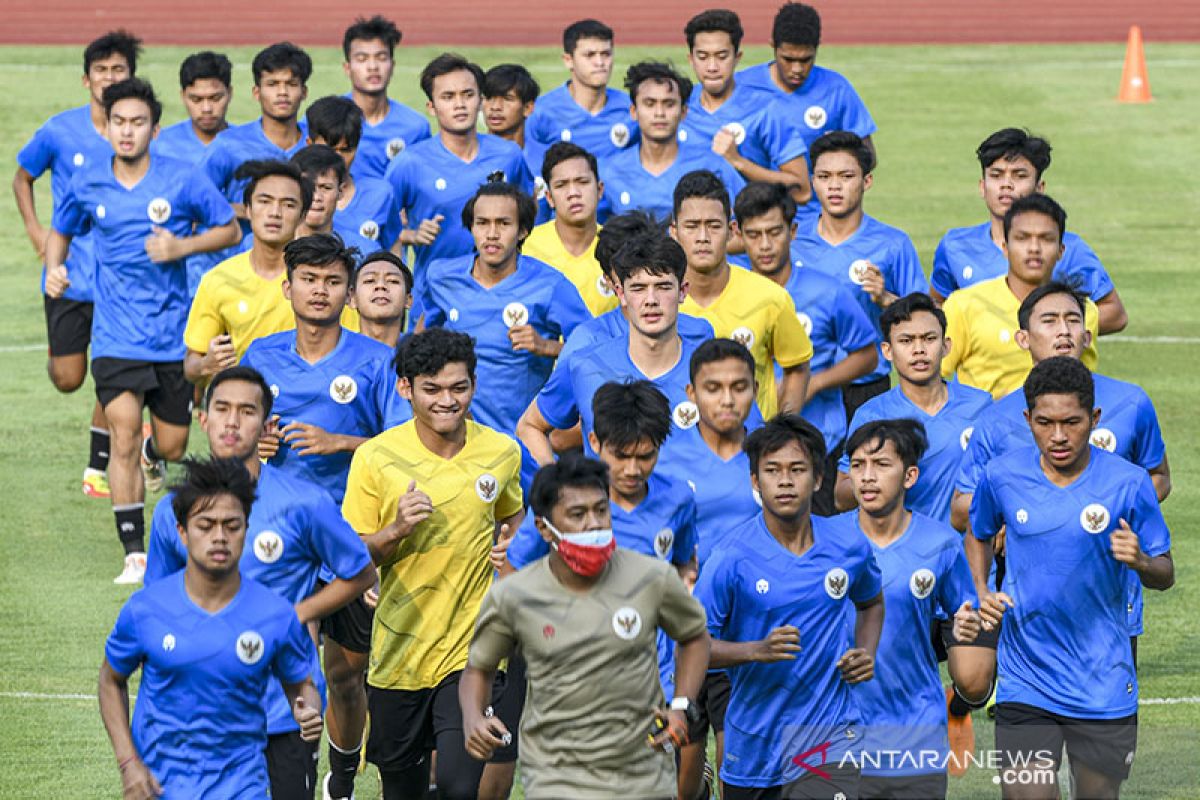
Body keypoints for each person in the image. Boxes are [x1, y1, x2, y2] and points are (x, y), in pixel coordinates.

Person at [143, 367, 374, 799]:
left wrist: (301, 612)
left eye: (247, 411)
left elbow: (360, 572)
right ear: (203, 418)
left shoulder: (304, 503)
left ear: (268, 426)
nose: (232, 422)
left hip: (283, 714)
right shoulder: (171, 511)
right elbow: (156, 608)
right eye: (222, 409)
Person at [46, 78, 240, 584]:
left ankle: (158, 457)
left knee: (173, 445)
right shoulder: (88, 182)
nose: (127, 132)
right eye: (118, 123)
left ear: (154, 128)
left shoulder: (182, 178)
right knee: (125, 433)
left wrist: (181, 248)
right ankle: (134, 553)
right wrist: (54, 267)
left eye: (137, 122)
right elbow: (61, 229)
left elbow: (229, 229)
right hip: (114, 339)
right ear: (106, 129)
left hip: (172, 338)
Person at [967, 356, 1174, 800]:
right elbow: (978, 532)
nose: (1058, 436)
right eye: (1044, 423)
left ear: (1094, 418)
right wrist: (983, 588)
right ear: (1028, 419)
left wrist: (1140, 560)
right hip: (1026, 677)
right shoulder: (1002, 476)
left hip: (1102, 681)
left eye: (1071, 422)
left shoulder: (1129, 482)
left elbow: (1165, 571)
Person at [342, 327, 525, 800]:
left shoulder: (501, 452)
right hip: (398, 657)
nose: (447, 400)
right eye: (432, 389)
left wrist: (511, 551)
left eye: (458, 388)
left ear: (474, 385)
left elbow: (513, 515)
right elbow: (352, 557)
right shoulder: (375, 458)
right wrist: (396, 529)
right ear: (406, 388)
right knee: (402, 791)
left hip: (472, 652)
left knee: (460, 789)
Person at [461, 454, 711, 799]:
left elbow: (695, 636)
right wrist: (474, 715)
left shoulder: (651, 578)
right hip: (555, 775)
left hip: (641, 773)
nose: (594, 524)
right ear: (545, 528)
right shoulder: (515, 595)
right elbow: (479, 668)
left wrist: (682, 705)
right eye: (578, 515)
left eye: (601, 510)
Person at [98, 456, 323, 799]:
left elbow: (299, 683)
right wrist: (129, 764)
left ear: (246, 529)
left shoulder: (275, 615)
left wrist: (305, 707)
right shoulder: (146, 610)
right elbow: (110, 680)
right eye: (206, 525)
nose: (220, 537)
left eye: (231, 525)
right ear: (182, 533)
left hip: (242, 788)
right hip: (161, 788)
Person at [696, 414, 884, 799]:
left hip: (830, 736)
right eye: (772, 470)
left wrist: (865, 650)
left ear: (817, 479)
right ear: (754, 481)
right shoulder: (730, 557)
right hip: (753, 748)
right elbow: (693, 646)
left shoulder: (848, 546)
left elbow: (871, 601)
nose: (784, 480)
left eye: (797, 469)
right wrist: (755, 651)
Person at [506, 381, 698, 698]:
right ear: (594, 442)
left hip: (652, 682)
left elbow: (681, 565)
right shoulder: (561, 499)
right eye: (620, 456)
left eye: (645, 456)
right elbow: (512, 573)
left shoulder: (677, 499)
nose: (632, 469)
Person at [13, 29, 139, 499]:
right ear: (86, 80)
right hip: (66, 274)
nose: (109, 78)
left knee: (112, 371)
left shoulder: (143, 133)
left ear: (131, 75)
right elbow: (22, 177)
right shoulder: (60, 131)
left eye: (118, 70)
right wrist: (34, 231)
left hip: (121, 280)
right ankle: (60, 356)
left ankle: (98, 468)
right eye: (101, 71)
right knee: (68, 378)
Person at [842, 419, 980, 799]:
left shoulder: (941, 544)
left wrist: (967, 629)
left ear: (909, 476)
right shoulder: (826, 541)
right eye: (857, 465)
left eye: (881, 464)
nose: (867, 477)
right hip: (839, 733)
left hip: (915, 731)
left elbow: (965, 618)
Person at [518, 233, 740, 468]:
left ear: (683, 291)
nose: (651, 300)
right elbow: (530, 426)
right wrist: (559, 487)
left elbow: (751, 446)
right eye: (638, 288)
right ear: (620, 293)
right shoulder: (585, 365)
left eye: (663, 287)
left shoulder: (716, 370)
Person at [654, 338, 765, 800]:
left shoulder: (772, 457)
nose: (726, 399)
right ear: (690, 392)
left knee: (741, 768)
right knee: (680, 762)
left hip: (749, 634)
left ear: (755, 390)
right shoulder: (665, 460)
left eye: (738, 387)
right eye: (713, 387)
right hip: (679, 638)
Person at [737, 181, 877, 514]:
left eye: (775, 232)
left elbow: (868, 355)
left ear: (793, 231)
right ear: (738, 235)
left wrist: (815, 383)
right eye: (754, 235)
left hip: (818, 445)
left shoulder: (827, 291)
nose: (765, 245)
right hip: (744, 445)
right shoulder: (732, 292)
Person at [417, 179, 590, 435]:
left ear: (522, 231)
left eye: (504, 223)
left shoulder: (551, 285)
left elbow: (593, 350)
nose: (492, 234)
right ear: (471, 228)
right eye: (482, 223)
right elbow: (423, 339)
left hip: (520, 437)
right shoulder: (441, 276)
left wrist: (546, 346)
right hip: (456, 437)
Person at [242, 233, 403, 504]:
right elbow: (227, 430)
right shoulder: (260, 356)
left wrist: (340, 442)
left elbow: (406, 447)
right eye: (309, 279)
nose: (320, 290)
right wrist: (253, 441)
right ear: (288, 289)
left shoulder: (381, 361)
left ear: (350, 294)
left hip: (354, 511)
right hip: (277, 512)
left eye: (333, 281)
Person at [931, 128, 1127, 334]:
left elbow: (1115, 315)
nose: (1006, 184)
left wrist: (1050, 329)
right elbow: (936, 306)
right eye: (996, 175)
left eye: (1019, 175)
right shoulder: (955, 246)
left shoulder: (1070, 249)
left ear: (1039, 188)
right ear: (982, 186)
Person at [792, 131, 927, 421]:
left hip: (867, 390)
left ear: (867, 181)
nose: (835, 186)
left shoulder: (893, 244)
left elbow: (926, 321)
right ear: (813, 181)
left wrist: (886, 298)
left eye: (846, 176)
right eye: (825, 177)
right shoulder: (791, 239)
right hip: (802, 386)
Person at [835, 293, 993, 526]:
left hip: (968, 552)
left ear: (946, 346)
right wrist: (883, 476)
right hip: (903, 556)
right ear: (887, 351)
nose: (919, 349)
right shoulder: (872, 415)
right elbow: (841, 495)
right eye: (906, 341)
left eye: (929, 339)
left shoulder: (981, 406)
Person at [674, 170, 813, 419]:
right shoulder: (659, 301)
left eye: (714, 226)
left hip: (750, 447)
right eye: (692, 226)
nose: (703, 238)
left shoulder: (770, 297)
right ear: (675, 232)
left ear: (732, 230)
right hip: (681, 449)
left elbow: (797, 368)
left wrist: (781, 429)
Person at [385, 53, 533, 280]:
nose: (460, 104)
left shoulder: (508, 155)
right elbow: (377, 225)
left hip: (499, 293)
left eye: (468, 95)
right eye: (448, 96)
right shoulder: (409, 163)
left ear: (480, 101)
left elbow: (531, 217)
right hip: (433, 298)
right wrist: (410, 235)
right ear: (431, 107)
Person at [941, 193, 1099, 399]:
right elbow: (934, 381)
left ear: (1061, 250)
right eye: (1022, 238)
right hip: (986, 428)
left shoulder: (1083, 311)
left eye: (1046, 239)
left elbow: (1084, 386)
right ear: (1005, 248)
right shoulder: (963, 305)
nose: (1034, 249)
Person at [183, 160, 312, 383]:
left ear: (302, 216)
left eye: (288, 205)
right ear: (248, 210)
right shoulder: (218, 280)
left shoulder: (320, 280)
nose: (275, 213)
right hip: (245, 405)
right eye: (264, 201)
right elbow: (190, 365)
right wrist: (206, 364)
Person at [198, 41, 311, 280]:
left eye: (291, 84)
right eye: (272, 84)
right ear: (256, 92)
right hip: (237, 272)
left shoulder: (317, 143)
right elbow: (194, 202)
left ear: (304, 92)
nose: (282, 93)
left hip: (303, 272)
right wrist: (237, 209)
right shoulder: (228, 145)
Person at [682, 10, 812, 206]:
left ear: (737, 57)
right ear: (691, 59)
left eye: (721, 56)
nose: (712, 67)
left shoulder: (765, 108)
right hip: (688, 230)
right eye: (702, 57)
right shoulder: (677, 106)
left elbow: (801, 190)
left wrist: (738, 162)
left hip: (747, 231)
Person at [599, 61, 744, 221]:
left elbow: (748, 225)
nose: (659, 113)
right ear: (634, 111)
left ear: (683, 112)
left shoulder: (713, 166)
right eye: (650, 104)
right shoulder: (608, 171)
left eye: (669, 104)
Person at [737, 2, 877, 156]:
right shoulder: (741, 86)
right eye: (788, 59)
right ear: (773, 46)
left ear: (817, 47)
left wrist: (838, 154)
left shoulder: (836, 89)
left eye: (806, 60)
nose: (797, 69)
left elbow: (868, 155)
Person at [524, 19, 638, 175]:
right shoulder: (542, 112)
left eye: (606, 54)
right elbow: (534, 175)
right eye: (590, 55)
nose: (600, 62)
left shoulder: (631, 110)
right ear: (568, 60)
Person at [521, 142, 617, 316]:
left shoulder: (619, 249)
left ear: (600, 189)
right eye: (561, 185)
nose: (573, 193)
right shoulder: (526, 248)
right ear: (549, 198)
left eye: (582, 182)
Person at [305, 95, 403, 252]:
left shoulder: (380, 194)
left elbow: (394, 251)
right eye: (329, 149)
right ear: (309, 144)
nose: (337, 158)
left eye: (346, 150)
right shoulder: (294, 194)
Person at [341, 14, 431, 182]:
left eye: (381, 58)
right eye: (362, 59)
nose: (373, 67)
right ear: (347, 68)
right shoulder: (326, 120)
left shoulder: (416, 127)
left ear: (392, 65)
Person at [290, 144, 379, 255]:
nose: (316, 197)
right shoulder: (273, 247)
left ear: (340, 192)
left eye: (326, 188)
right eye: (308, 187)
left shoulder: (364, 252)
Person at [152, 51, 232, 164]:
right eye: (196, 99)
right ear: (183, 96)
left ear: (230, 93)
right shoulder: (160, 146)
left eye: (215, 98)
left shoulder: (248, 145)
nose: (206, 108)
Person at [350, 250, 413, 348]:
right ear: (352, 298)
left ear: (408, 300)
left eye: (393, 281)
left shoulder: (423, 356)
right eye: (370, 280)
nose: (381, 285)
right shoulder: (332, 355)